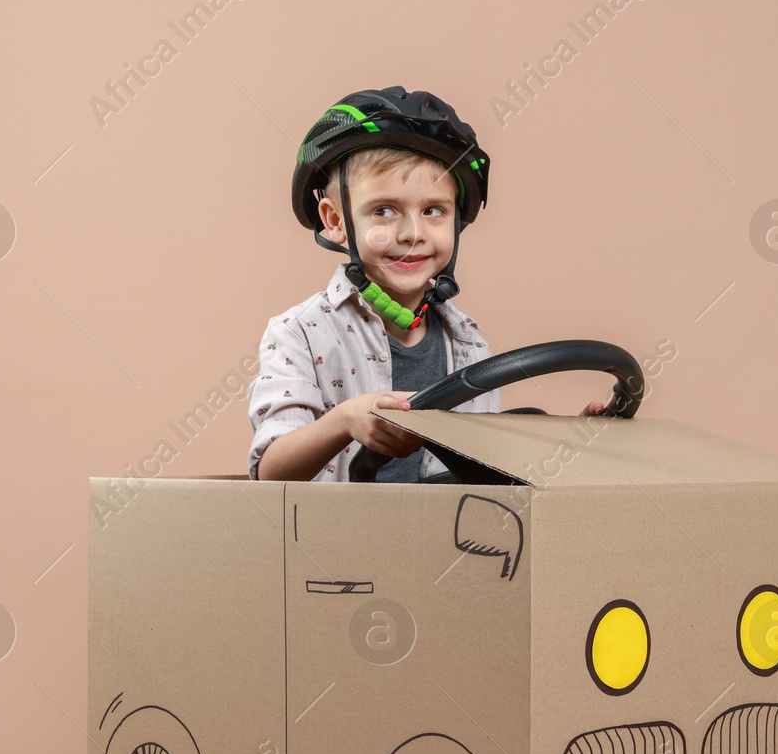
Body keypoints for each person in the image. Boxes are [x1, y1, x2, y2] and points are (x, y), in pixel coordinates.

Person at [248, 86, 605, 482]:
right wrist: (345, 420)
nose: (412, 233)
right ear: (335, 222)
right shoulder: (299, 334)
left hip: (441, 540)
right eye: (384, 210)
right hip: (332, 540)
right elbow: (271, 471)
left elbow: (482, 472)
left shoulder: (468, 343)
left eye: (434, 210)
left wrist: (573, 438)